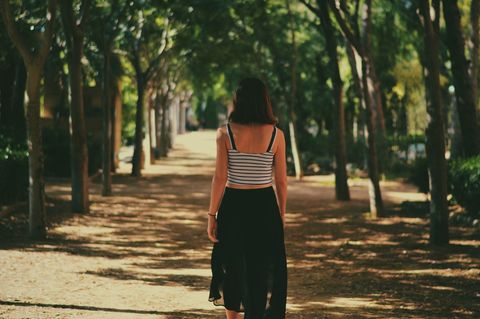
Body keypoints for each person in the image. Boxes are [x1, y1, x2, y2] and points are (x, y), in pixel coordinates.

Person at [207, 77, 288, 319]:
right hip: (265, 206)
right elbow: (281, 182)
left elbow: (220, 178)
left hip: (234, 206)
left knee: (232, 265)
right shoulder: (277, 135)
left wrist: (212, 214)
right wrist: (280, 216)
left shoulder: (225, 133)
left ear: (238, 101)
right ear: (265, 101)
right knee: (261, 268)